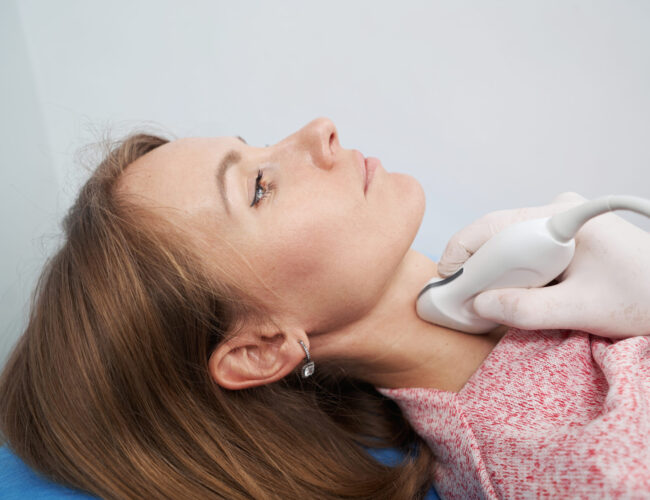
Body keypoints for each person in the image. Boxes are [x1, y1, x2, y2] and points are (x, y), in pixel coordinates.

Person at [0, 117, 648, 499]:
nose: (319, 130)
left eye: (258, 144)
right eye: (259, 188)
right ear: (262, 348)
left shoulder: (553, 266)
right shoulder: (565, 459)